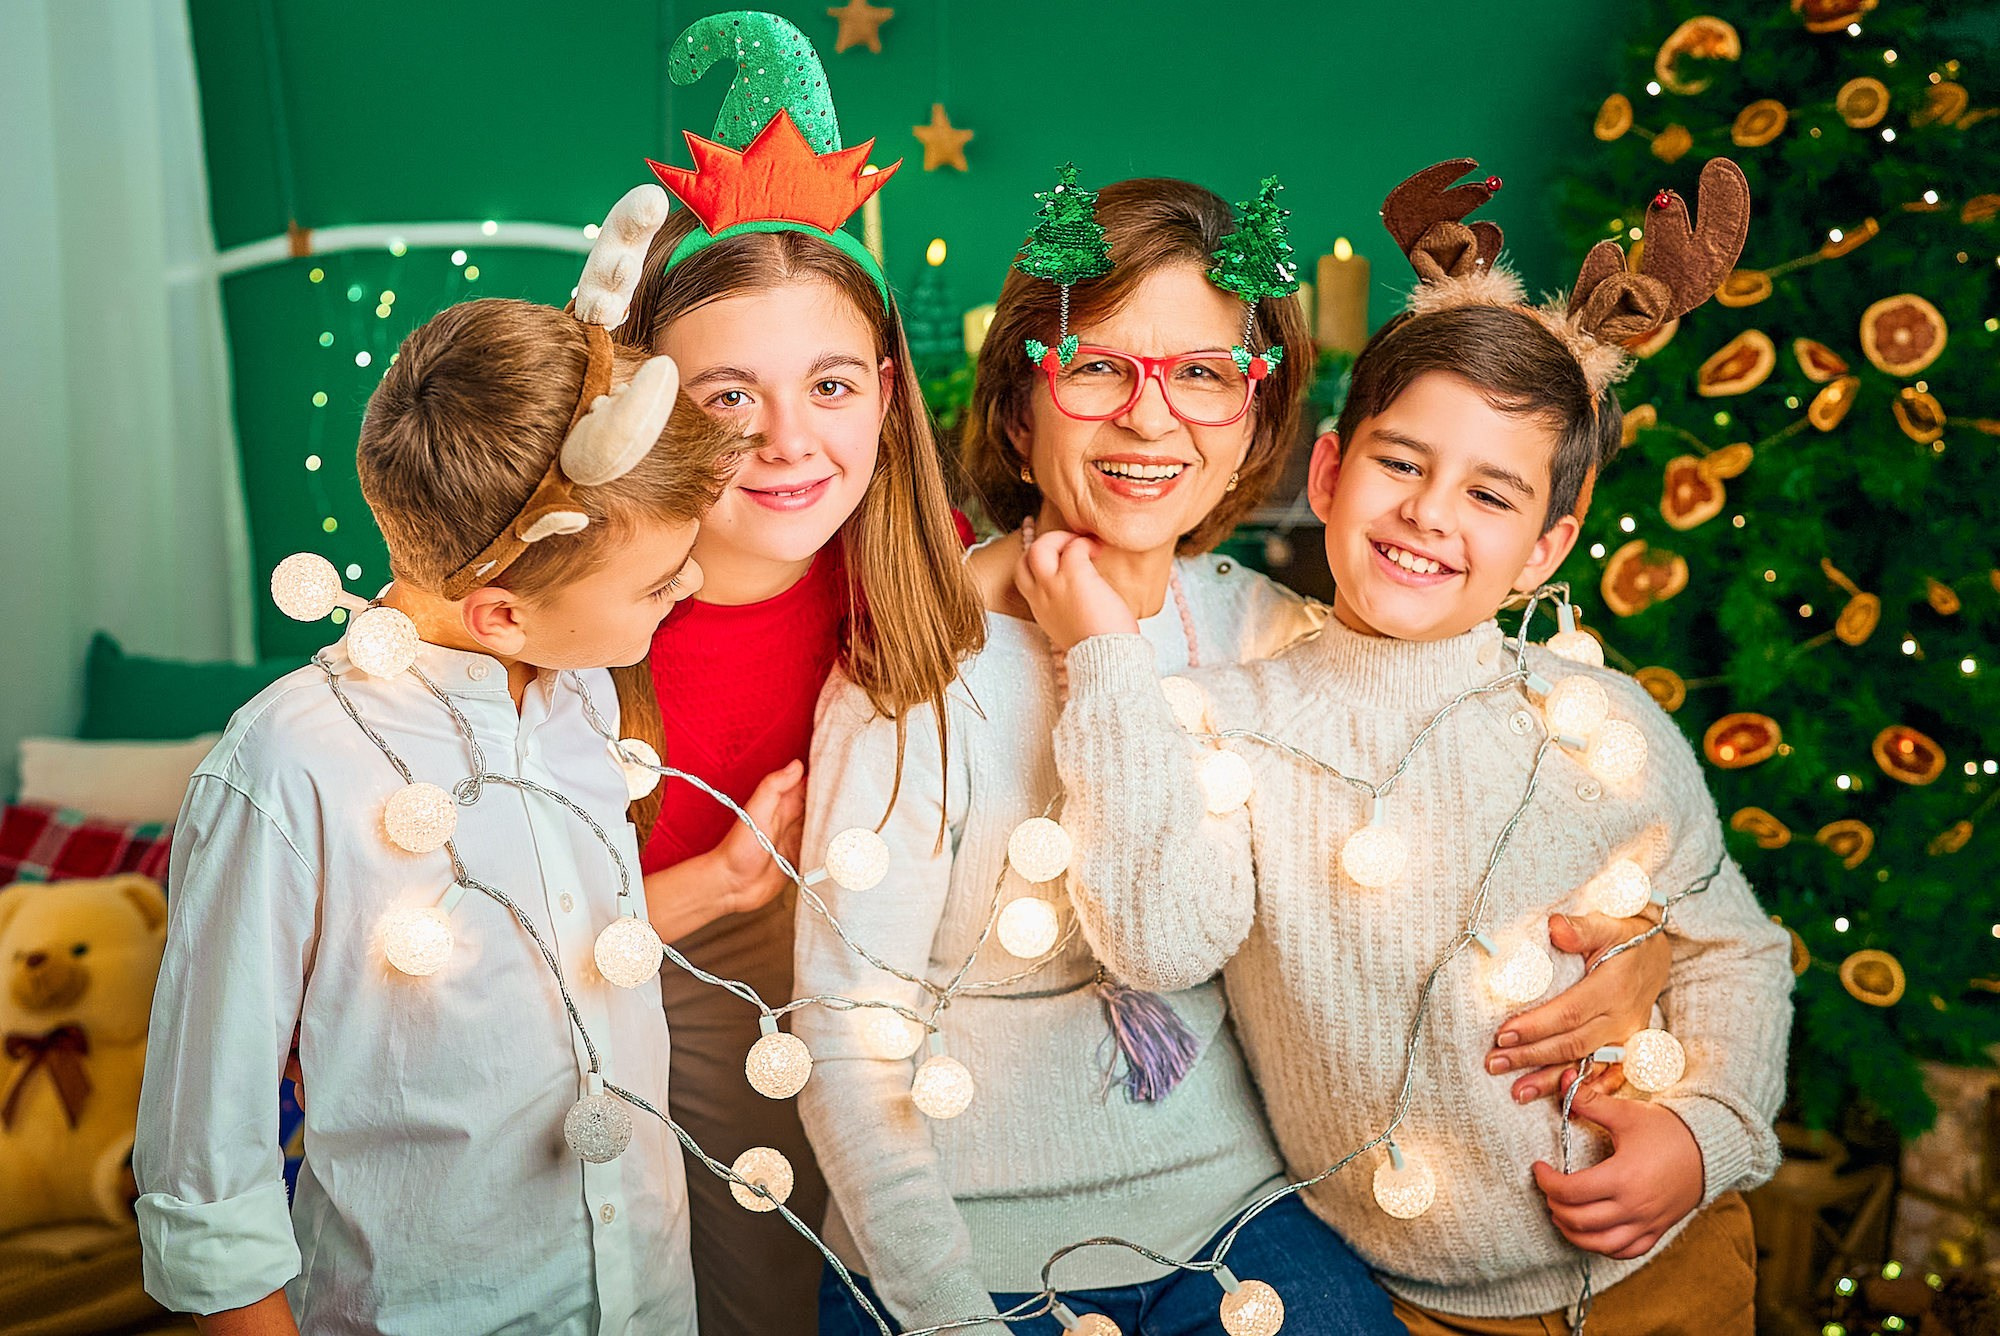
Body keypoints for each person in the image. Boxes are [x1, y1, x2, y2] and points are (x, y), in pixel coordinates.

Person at [797, 169, 1668, 1336]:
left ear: (1260, 421)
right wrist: (950, 1313)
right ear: (1018, 407)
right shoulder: (913, 670)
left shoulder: (1278, 638)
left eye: (1204, 375)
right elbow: (847, 1050)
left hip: (1239, 1219)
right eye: (1096, 365)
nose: (1150, 419)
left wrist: (1634, 962)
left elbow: (1483, 845)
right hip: (962, 1247)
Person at [1030, 159, 1790, 1334]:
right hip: (1403, 1297)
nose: (1431, 512)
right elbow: (1152, 933)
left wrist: (1702, 1136)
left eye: (1492, 496)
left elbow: (1730, 948)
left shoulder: (1596, 726)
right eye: (1400, 463)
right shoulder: (1217, 718)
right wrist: (1104, 662)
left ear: (1546, 546)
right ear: (1328, 472)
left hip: (1665, 1275)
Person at [134, 200, 742, 1335]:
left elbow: (538, 968)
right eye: (660, 581)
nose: (690, 588)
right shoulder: (288, 768)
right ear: (503, 611)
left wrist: (714, 887)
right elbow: (204, 1174)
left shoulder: (581, 702)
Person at [606, 13, 984, 1334]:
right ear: (651, 403)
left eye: (828, 385)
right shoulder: (584, 621)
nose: (786, 441)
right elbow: (494, 933)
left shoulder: (923, 567)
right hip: (661, 953)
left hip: (881, 953)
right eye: (726, 399)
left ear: (884, 392)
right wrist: (714, 884)